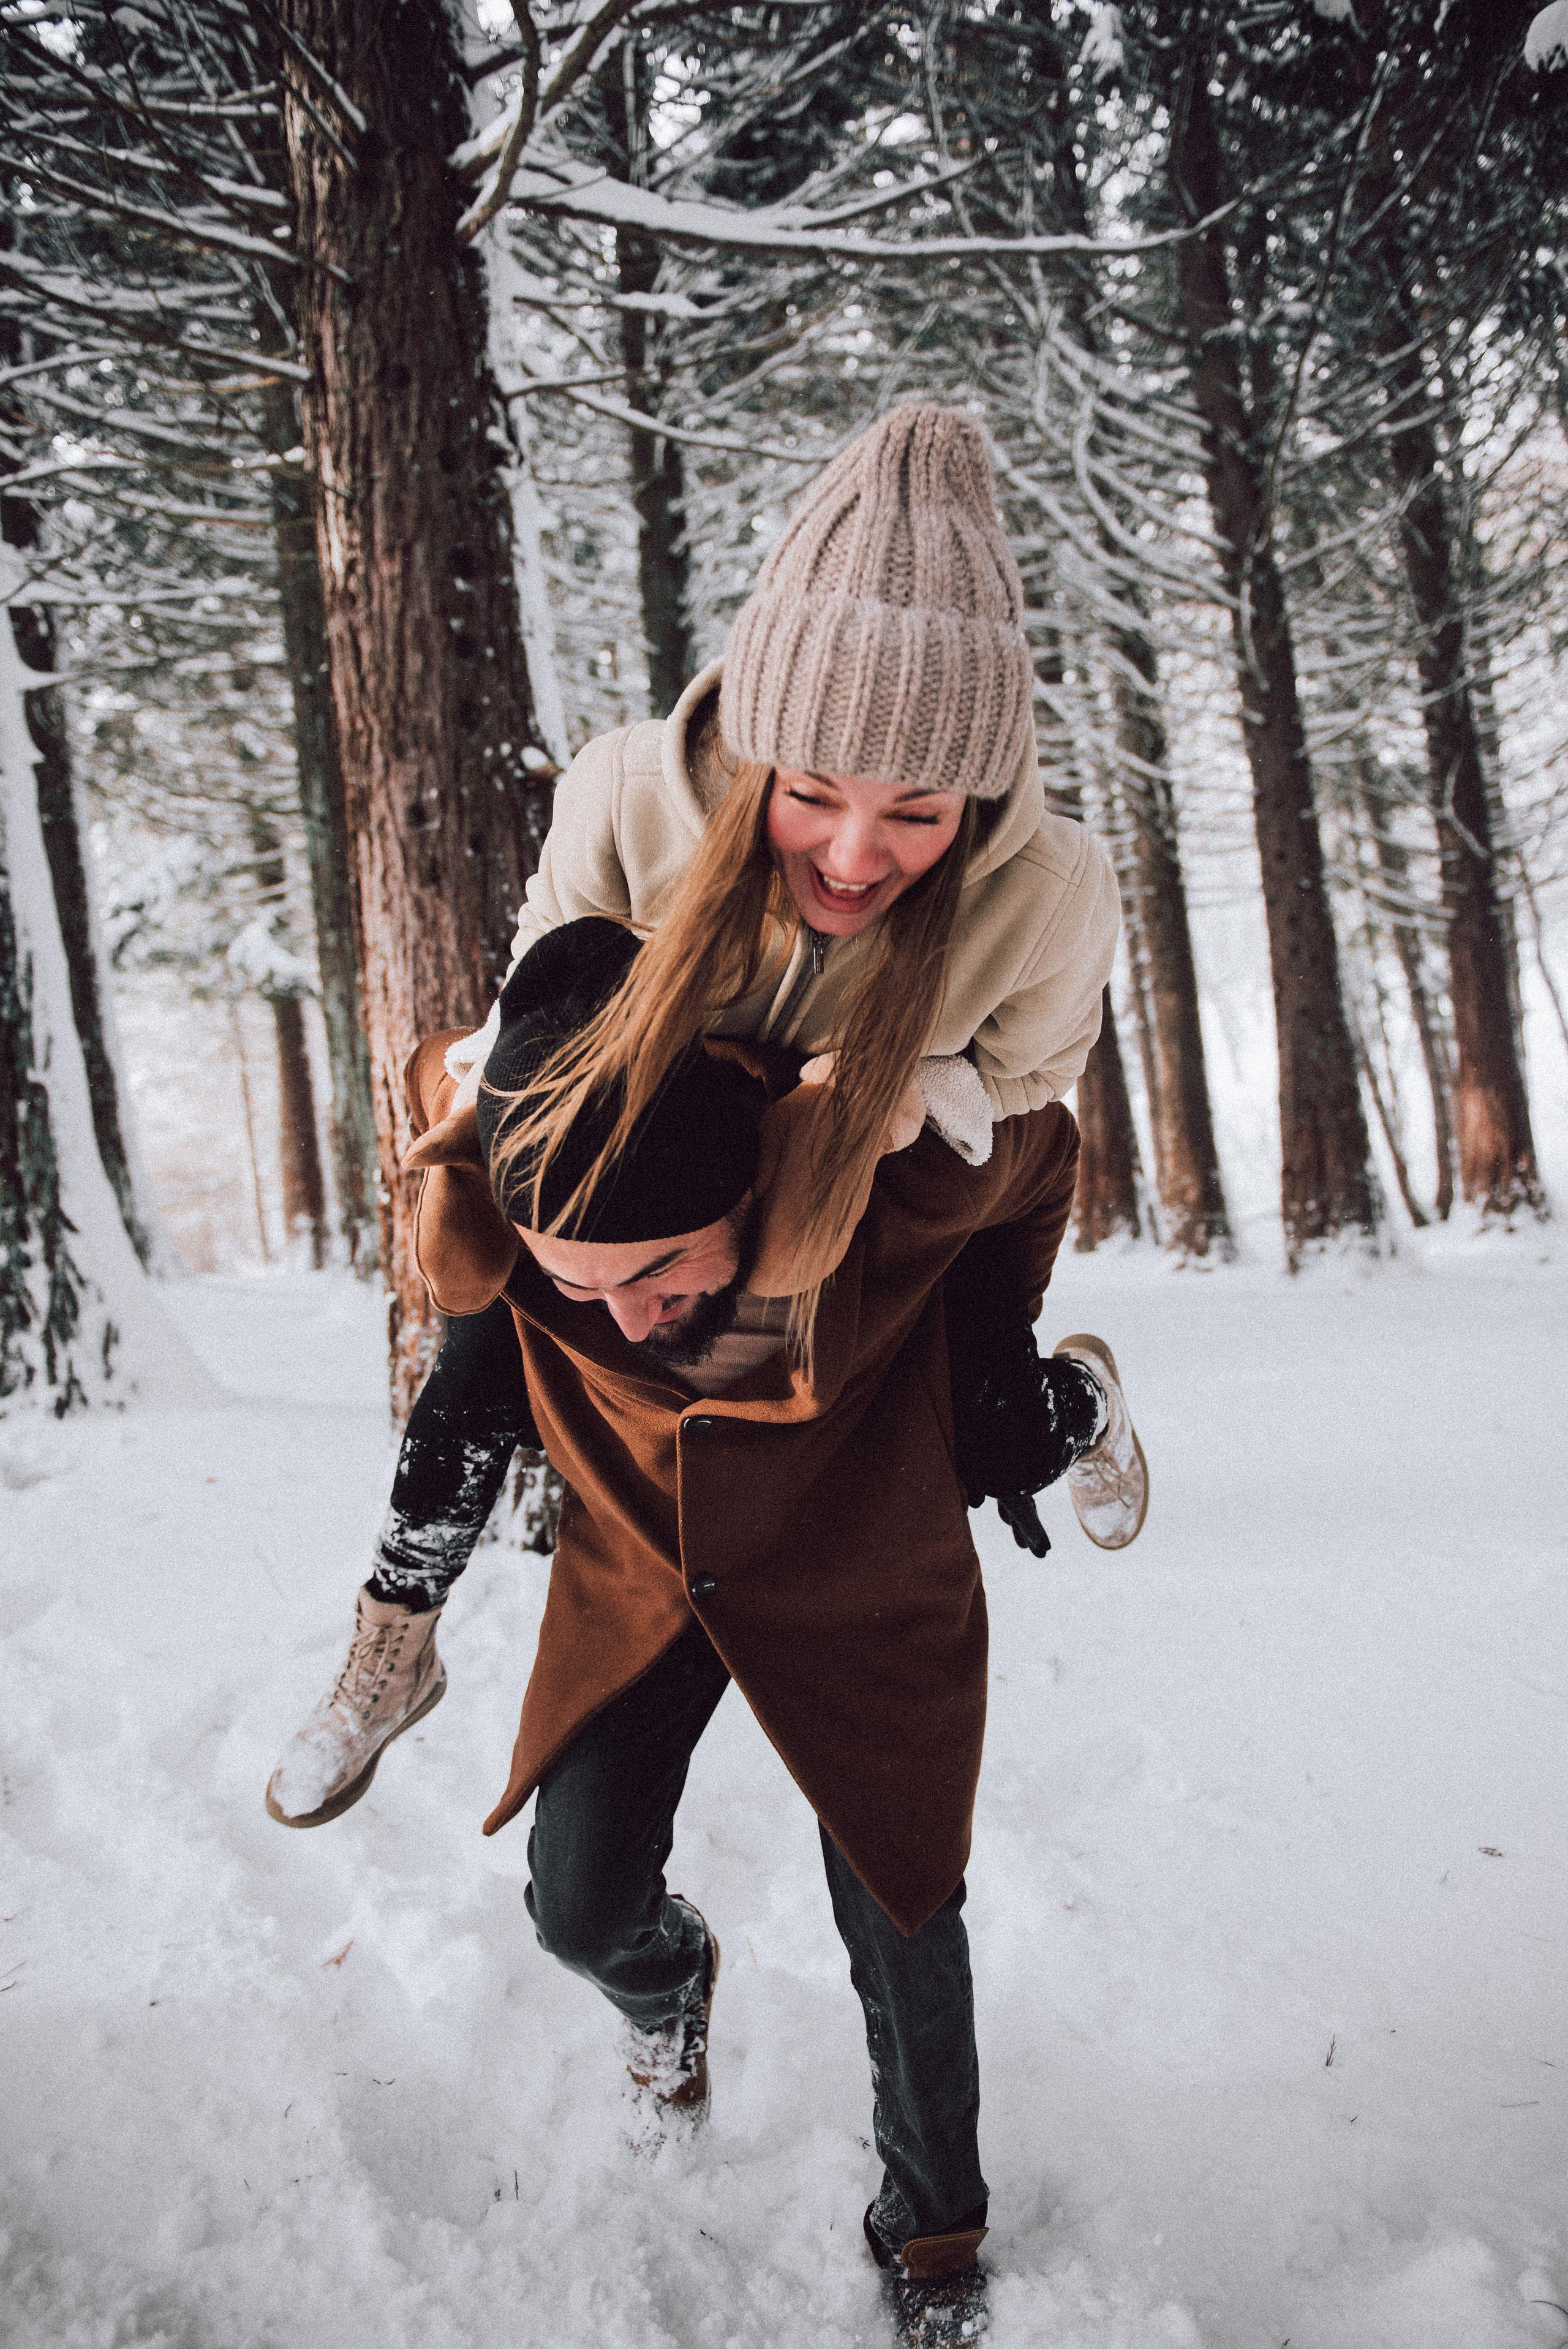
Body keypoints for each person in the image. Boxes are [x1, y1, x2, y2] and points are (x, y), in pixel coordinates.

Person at [274, 915, 1148, 2348]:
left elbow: (1037, 1151)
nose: (628, 1309)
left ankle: (932, 2239)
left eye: (662, 1268)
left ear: (752, 1184)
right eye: (583, 1281)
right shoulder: (523, 1214)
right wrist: (394, 1616)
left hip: (863, 1528)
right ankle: (668, 1986)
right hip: (650, 1560)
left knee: (899, 1898)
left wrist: (998, 1337)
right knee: (576, 1900)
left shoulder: (879, 1172)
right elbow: (461, 1418)